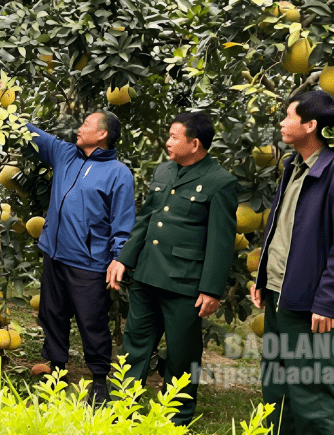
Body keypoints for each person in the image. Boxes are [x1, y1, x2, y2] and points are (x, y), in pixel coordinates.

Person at [107, 111, 238, 426]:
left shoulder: (220, 182)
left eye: (174, 137)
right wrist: (123, 258)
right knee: (134, 347)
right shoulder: (164, 172)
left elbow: (221, 240)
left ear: (194, 144)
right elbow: (147, 219)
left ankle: (177, 420)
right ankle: (122, 412)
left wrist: (211, 289)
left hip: (185, 284)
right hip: (148, 275)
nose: (168, 143)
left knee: (181, 356)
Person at [250, 90, 334, 434]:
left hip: (308, 302)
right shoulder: (293, 167)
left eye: (289, 117)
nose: (283, 123)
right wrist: (261, 278)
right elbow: (281, 227)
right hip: (277, 293)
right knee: (276, 382)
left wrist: (328, 299)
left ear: (310, 125)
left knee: (310, 388)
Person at [25, 111, 135, 406]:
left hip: (89, 262)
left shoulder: (118, 173)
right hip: (54, 254)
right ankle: (56, 375)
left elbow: (122, 221)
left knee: (92, 322)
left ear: (101, 134)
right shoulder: (64, 154)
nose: (79, 128)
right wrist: (3, 107)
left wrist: (118, 257)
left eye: (86, 124)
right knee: (52, 315)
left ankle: (99, 384)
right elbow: (32, 134)